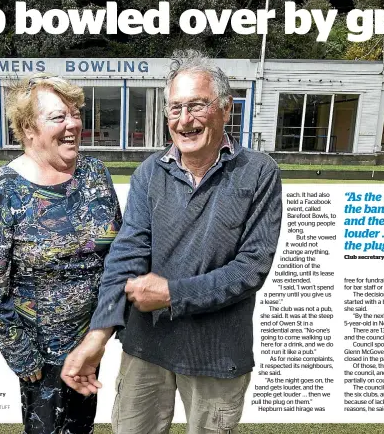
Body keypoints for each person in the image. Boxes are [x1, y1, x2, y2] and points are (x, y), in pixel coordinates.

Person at [61, 50, 283, 433]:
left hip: (217, 354)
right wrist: (98, 335)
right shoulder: (150, 172)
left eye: (197, 106)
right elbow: (126, 255)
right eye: (175, 108)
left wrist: (174, 294)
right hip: (147, 346)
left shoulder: (258, 172)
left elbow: (252, 268)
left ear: (226, 109)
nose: (184, 120)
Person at [0, 73, 122, 434]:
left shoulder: (95, 174)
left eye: (75, 113)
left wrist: (102, 333)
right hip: (41, 357)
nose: (73, 125)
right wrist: (23, 357)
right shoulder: (5, 189)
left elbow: (119, 253)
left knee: (81, 429)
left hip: (91, 343)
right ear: (28, 128)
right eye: (58, 117)